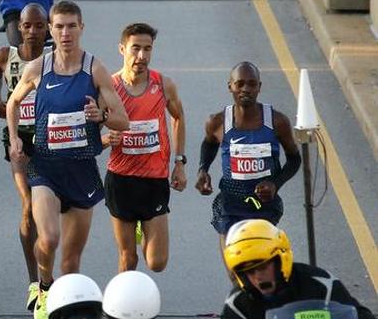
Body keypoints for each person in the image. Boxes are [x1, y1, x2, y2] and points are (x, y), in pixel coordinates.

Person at [3, 0, 128, 319]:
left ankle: (66, 307)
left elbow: (122, 121)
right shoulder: (38, 68)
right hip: (45, 167)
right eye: (59, 26)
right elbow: (13, 103)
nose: (65, 32)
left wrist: (100, 115)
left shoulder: (94, 68)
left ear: (81, 28)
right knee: (49, 237)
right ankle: (45, 286)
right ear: (51, 30)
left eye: (71, 25)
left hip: (82, 168)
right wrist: (16, 137)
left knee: (71, 260)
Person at [104, 22, 187, 273]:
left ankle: (142, 226)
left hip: (154, 181)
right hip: (121, 180)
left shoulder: (163, 84)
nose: (142, 56)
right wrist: (106, 140)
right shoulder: (109, 87)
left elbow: (178, 117)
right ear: (122, 49)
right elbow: (87, 131)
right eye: (135, 48)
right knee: (128, 259)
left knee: (157, 263)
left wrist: (179, 162)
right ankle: (123, 309)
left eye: (147, 49)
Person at [196, 63, 302, 246]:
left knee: (259, 263)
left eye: (252, 84)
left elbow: (294, 159)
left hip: (264, 207)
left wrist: (275, 184)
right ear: (230, 86)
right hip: (230, 206)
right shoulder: (217, 122)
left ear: (259, 87)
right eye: (240, 84)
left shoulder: (277, 121)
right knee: (234, 270)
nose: (246, 89)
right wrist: (203, 169)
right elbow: (209, 143)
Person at [0, 2, 49, 310]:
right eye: (29, 25)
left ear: (48, 27)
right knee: (28, 205)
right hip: (18, 138)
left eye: (40, 26)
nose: (34, 31)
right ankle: (34, 283)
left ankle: (48, 273)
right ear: (20, 28)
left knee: (49, 211)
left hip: (51, 137)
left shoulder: (55, 59)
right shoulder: (6, 55)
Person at [220, 220, 376, 319]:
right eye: (250, 272)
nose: (258, 277)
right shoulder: (237, 305)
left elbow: (360, 315)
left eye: (262, 267)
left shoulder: (322, 284)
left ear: (280, 260)